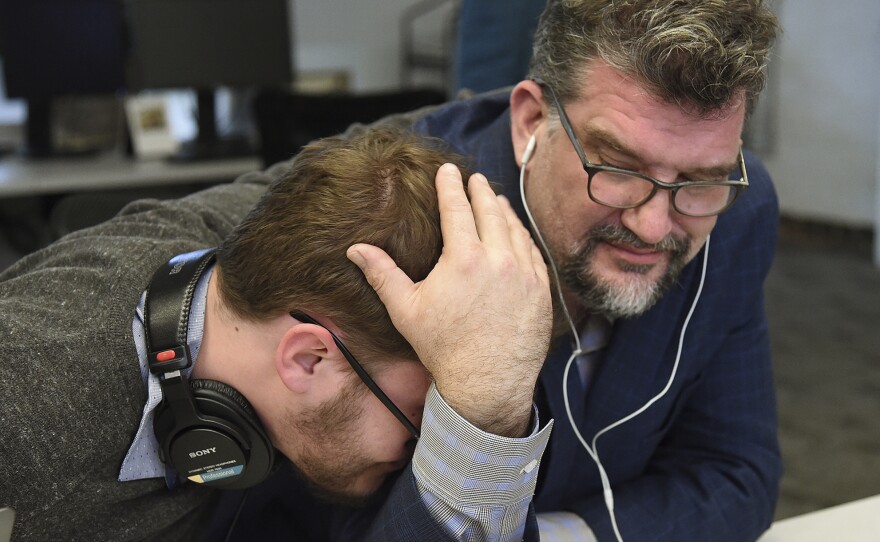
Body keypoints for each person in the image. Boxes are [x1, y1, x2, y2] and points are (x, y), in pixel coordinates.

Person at [343, 0, 783, 540]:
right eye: (619, 167)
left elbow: (737, 474)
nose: (651, 226)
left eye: (698, 179)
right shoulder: (402, 233)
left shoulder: (739, 212)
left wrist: (567, 535)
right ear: (531, 120)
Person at [0, 128, 554, 541]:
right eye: (422, 419)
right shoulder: (24, 402)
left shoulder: (287, 231)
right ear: (310, 358)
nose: (421, 452)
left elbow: (381, 170)